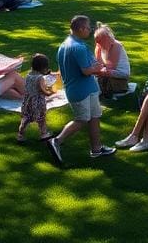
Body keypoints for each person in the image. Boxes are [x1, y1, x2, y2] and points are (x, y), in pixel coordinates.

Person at [47, 15, 115, 165]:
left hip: (86, 88)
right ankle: (56, 141)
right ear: (81, 29)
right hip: (80, 90)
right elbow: (86, 70)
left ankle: (96, 149)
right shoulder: (78, 47)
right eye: (88, 27)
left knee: (94, 116)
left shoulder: (64, 45)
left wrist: (95, 67)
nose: (90, 30)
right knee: (82, 119)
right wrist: (97, 68)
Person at [18, 54, 55, 143]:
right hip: (37, 102)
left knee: (26, 118)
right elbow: (42, 90)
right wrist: (50, 93)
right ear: (43, 68)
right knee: (41, 119)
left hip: (28, 101)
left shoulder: (28, 75)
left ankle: (20, 135)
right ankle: (44, 134)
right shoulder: (40, 78)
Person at [94, 23, 131, 97]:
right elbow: (98, 64)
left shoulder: (116, 45)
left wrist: (97, 70)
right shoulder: (99, 46)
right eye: (97, 41)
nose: (98, 43)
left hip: (120, 73)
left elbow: (110, 67)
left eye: (100, 41)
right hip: (108, 70)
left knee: (96, 75)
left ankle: (97, 93)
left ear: (107, 38)